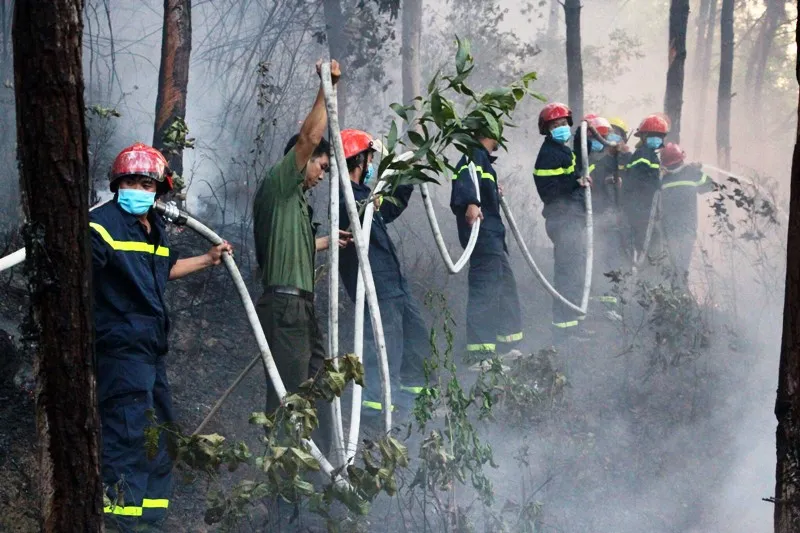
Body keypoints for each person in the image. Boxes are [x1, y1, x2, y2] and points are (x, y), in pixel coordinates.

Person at [92, 142, 233, 530]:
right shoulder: (99, 225)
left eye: (148, 184)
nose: (140, 189)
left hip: (151, 354)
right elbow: (78, 271)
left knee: (162, 438)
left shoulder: (152, 229)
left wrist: (208, 259)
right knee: (127, 440)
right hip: (120, 355)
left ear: (160, 191)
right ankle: (122, 523)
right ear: (118, 183)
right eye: (133, 181)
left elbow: (162, 270)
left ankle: (151, 520)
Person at [252, 60, 348, 457]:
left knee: (319, 388)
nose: (324, 174)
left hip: (302, 309)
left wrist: (328, 241)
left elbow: (296, 248)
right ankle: (282, 487)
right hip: (286, 307)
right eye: (322, 165)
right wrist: (328, 88)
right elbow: (310, 134)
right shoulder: (279, 184)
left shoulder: (295, 207)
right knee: (290, 399)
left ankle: (321, 474)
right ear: (301, 159)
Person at [336, 129, 428, 421]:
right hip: (376, 285)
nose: (372, 163)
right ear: (359, 160)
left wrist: (407, 176)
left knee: (415, 336)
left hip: (392, 283)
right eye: (371, 158)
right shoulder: (345, 200)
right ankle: (376, 412)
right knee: (382, 347)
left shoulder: (364, 197)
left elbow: (388, 208)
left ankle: (417, 403)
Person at [450, 133, 523, 358]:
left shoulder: (483, 161)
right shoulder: (473, 156)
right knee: (485, 293)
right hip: (482, 237)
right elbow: (464, 179)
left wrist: (492, 191)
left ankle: (504, 346)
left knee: (505, 289)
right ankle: (479, 355)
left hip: (493, 239)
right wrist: (471, 202)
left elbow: (477, 185)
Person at [532, 102, 591, 344]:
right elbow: (551, 191)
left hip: (571, 219)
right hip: (561, 220)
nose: (562, 128)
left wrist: (579, 183)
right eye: (555, 125)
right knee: (567, 273)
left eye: (564, 123)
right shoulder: (548, 155)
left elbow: (569, 180)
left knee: (575, 271)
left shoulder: (563, 151)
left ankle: (574, 325)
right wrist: (575, 184)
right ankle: (564, 330)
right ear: (547, 129)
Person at [658, 142, 715, 283]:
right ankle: (680, 291)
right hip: (687, 227)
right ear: (681, 158)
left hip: (668, 228)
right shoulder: (691, 173)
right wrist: (695, 170)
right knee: (683, 264)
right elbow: (710, 185)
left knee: (671, 263)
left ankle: (673, 292)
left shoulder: (662, 178)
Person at [623, 113, 670, 260]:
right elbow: (640, 181)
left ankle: (649, 279)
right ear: (643, 136)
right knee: (650, 251)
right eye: (653, 135)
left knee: (652, 249)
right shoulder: (643, 154)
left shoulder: (649, 154)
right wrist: (658, 179)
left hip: (644, 211)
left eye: (659, 135)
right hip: (640, 212)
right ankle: (647, 280)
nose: (657, 139)